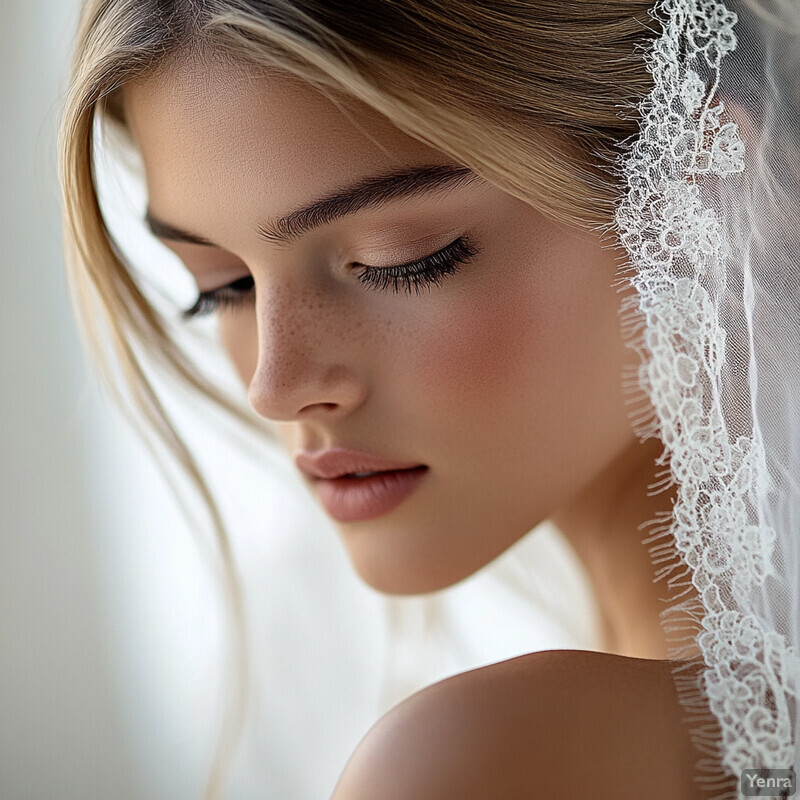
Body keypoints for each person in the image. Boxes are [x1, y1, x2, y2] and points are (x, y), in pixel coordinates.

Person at [58, 1, 799, 799]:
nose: (275, 387)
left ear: (700, 192)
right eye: (222, 286)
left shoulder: (485, 762)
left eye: (401, 259)